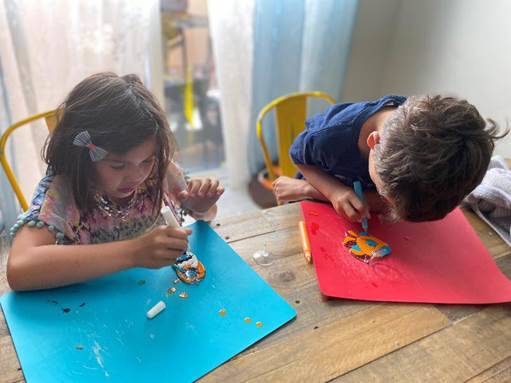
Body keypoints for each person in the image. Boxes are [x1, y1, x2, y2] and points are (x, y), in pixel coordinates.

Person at [7, 72, 223, 291]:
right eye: (118, 165)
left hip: (147, 292)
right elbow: (19, 268)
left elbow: (205, 215)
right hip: (87, 303)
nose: (137, 176)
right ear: (82, 156)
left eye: (147, 160)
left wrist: (200, 206)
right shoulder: (63, 191)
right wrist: (133, 253)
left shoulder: (158, 170)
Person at [273, 94, 506, 223]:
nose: (388, 207)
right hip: (318, 193)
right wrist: (331, 191)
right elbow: (298, 157)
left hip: (345, 202)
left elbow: (387, 203)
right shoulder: (328, 138)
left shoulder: (422, 133)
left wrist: (362, 198)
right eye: (387, 197)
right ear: (373, 143)